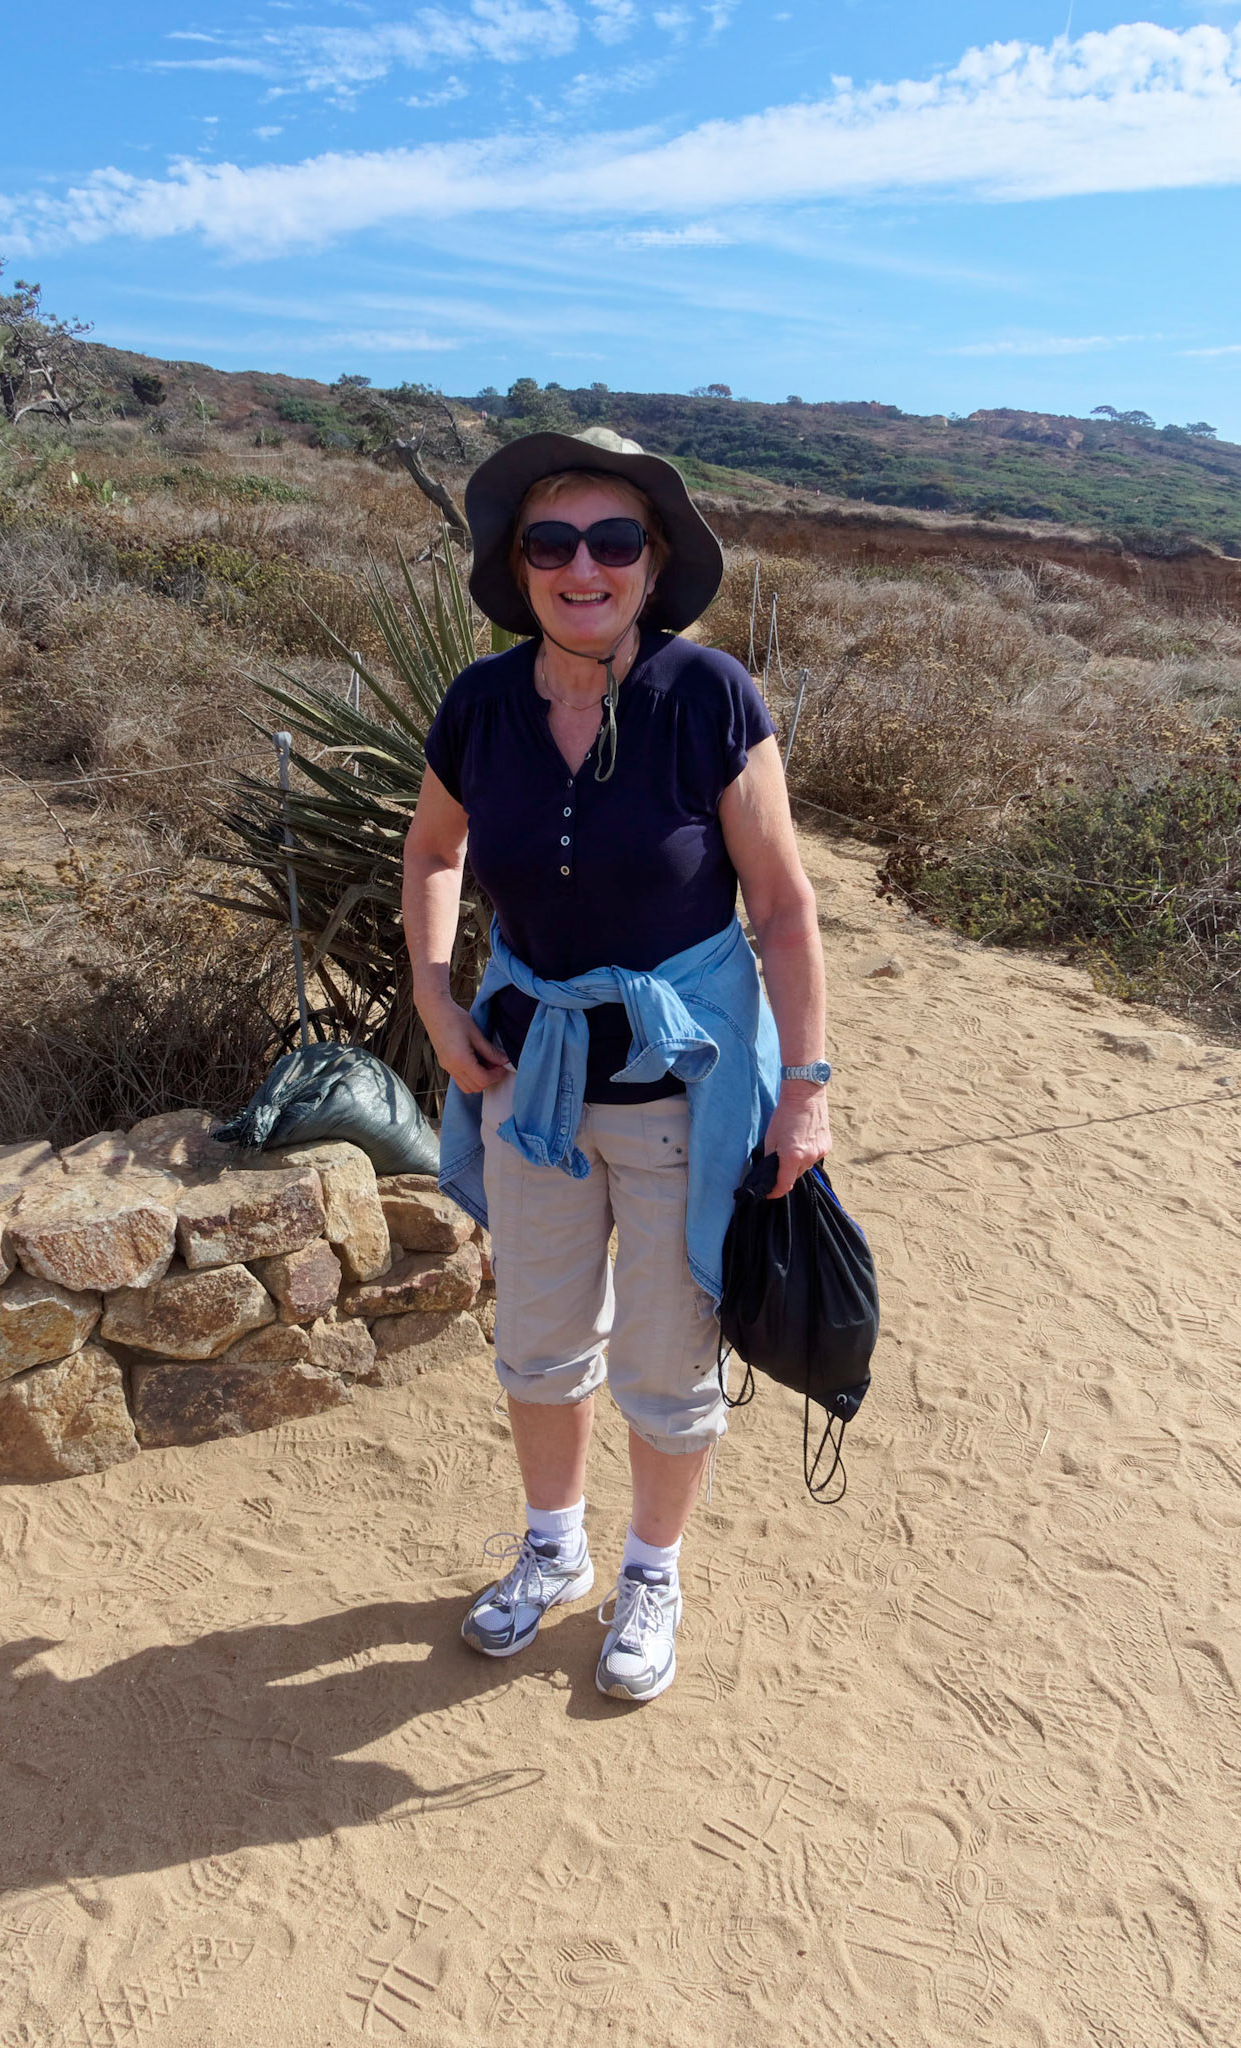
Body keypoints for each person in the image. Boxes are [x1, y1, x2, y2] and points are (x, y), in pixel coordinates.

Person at [401, 428, 830, 1704]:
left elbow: (786, 906)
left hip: (679, 1097)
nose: (581, 565)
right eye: (552, 541)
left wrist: (803, 1088)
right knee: (536, 1342)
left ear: (652, 563)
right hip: (528, 1084)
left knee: (664, 1352)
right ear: (517, 563)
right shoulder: (480, 701)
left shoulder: (712, 697)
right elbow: (435, 852)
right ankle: (553, 1547)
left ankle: (652, 1568)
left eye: (612, 540)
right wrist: (435, 995)